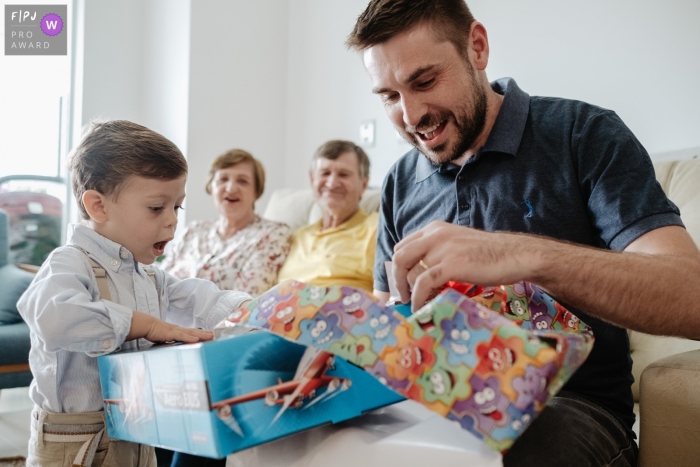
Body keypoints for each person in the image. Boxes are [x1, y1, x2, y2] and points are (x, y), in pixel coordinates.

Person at [347, 1, 700, 466]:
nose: (411, 116)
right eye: (389, 97)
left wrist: (521, 255)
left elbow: (689, 296)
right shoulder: (399, 182)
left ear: (477, 47)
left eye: (425, 81)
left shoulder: (582, 135)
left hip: (570, 413)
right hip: (431, 409)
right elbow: (387, 320)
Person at [17, 120, 252, 467]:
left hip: (136, 434)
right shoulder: (69, 263)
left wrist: (255, 309)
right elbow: (53, 318)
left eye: (177, 207)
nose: (172, 220)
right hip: (76, 447)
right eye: (157, 207)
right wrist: (142, 324)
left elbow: (198, 298)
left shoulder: (148, 276)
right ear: (98, 206)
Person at [160, 149, 292, 297]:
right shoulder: (193, 230)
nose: (231, 188)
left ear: (257, 191)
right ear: (211, 187)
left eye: (242, 181)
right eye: (223, 179)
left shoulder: (273, 234)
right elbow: (159, 283)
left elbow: (245, 301)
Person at [277, 140, 378, 292]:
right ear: (312, 180)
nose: (332, 183)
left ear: (363, 184)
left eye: (343, 175)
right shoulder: (298, 236)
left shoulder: (378, 229)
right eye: (325, 173)